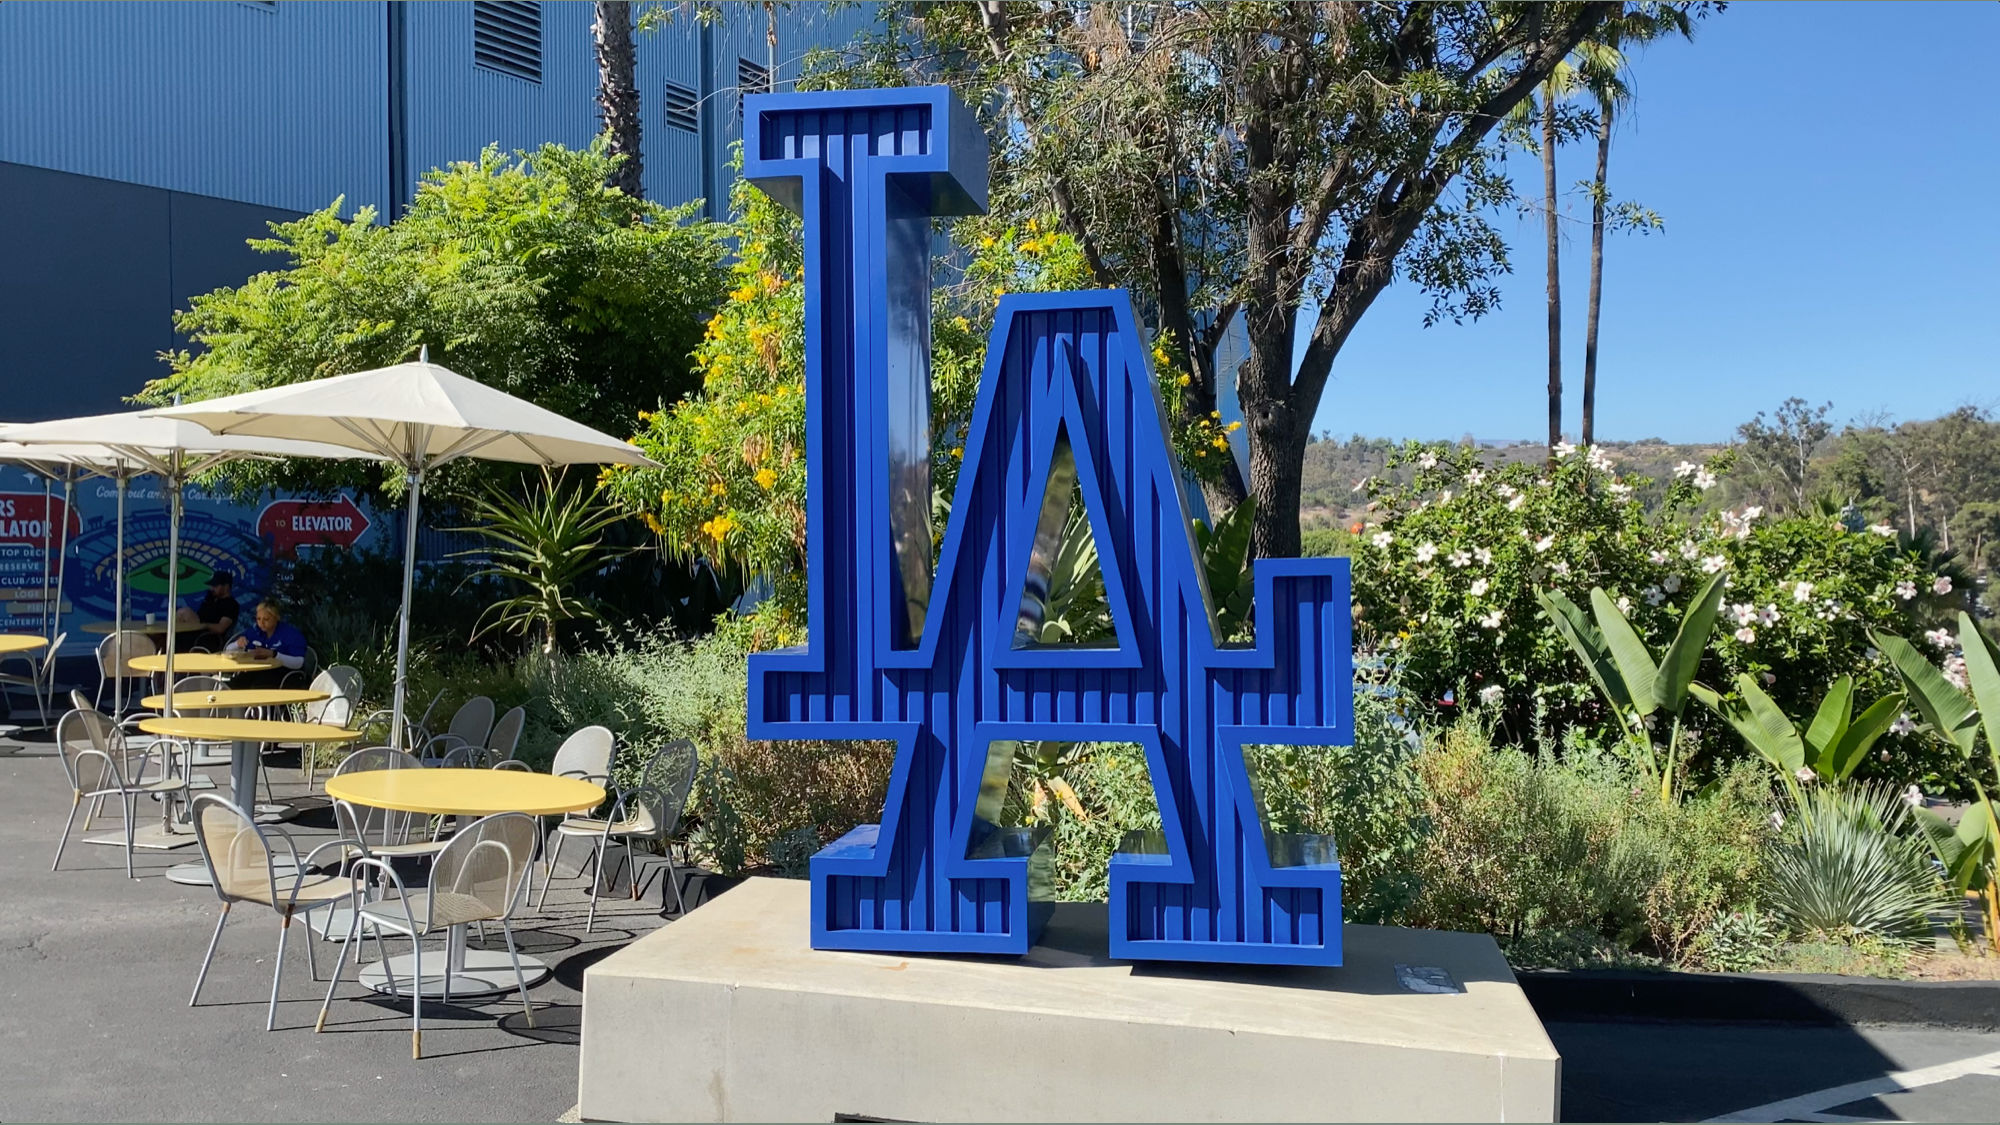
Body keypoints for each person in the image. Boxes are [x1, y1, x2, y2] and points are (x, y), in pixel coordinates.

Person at [224, 600, 308, 689]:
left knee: (258, 685)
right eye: (258, 619)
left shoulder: (290, 634)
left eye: (266, 619)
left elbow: (298, 663)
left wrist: (274, 654)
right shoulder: (255, 631)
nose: (261, 623)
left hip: (282, 674)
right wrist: (237, 643)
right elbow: (228, 650)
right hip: (257, 670)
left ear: (276, 618)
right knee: (234, 685)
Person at [174, 571, 238, 653]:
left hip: (209, 638)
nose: (212, 588)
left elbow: (220, 628)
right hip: (196, 632)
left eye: (215, 586)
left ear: (226, 586)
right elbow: (200, 616)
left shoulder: (231, 604)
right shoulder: (210, 599)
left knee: (184, 613)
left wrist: (204, 625)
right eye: (211, 586)